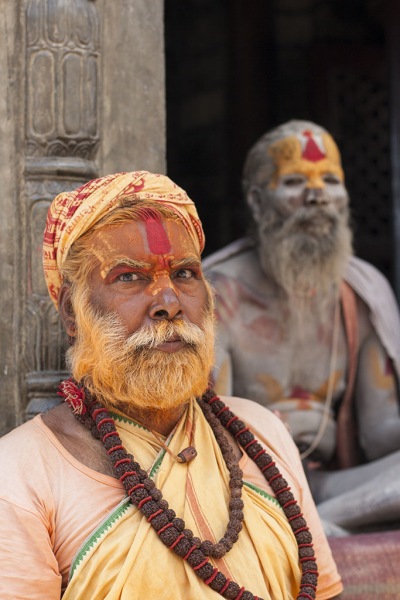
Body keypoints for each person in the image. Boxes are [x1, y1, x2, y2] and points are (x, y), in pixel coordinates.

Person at [0, 171, 341, 599]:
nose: (168, 302)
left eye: (183, 273)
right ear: (73, 311)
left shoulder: (262, 431)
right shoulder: (20, 472)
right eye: (130, 277)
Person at [204, 120, 400, 536]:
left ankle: (324, 524)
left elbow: (381, 435)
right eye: (294, 181)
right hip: (247, 489)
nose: (317, 196)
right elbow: (207, 436)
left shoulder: (361, 295)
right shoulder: (217, 294)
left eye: (330, 180)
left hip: (332, 489)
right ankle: (313, 524)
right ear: (257, 202)